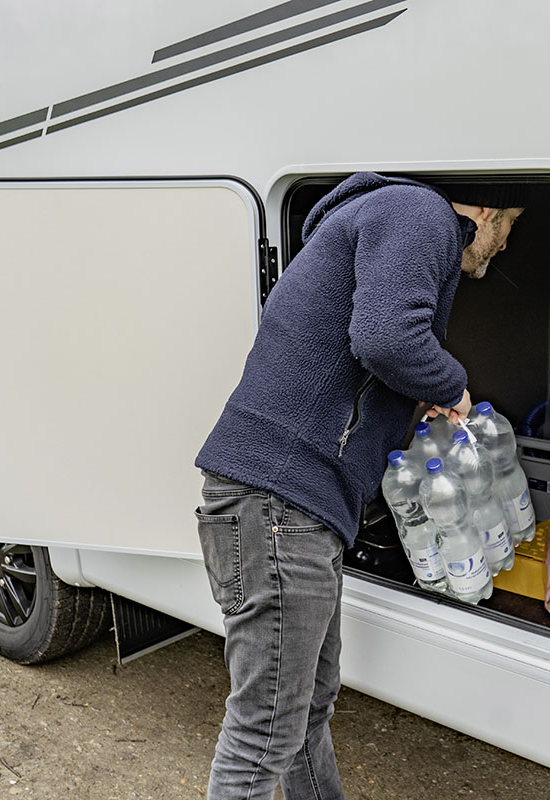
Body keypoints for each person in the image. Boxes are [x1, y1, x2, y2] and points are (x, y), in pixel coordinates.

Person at [193, 172, 526, 799]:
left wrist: (413, 401)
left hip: (287, 507)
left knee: (306, 710)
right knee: (261, 739)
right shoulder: (419, 213)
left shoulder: (388, 215)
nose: (503, 244)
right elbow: (385, 336)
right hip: (278, 505)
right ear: (483, 211)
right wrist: (450, 383)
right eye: (507, 225)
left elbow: (365, 350)